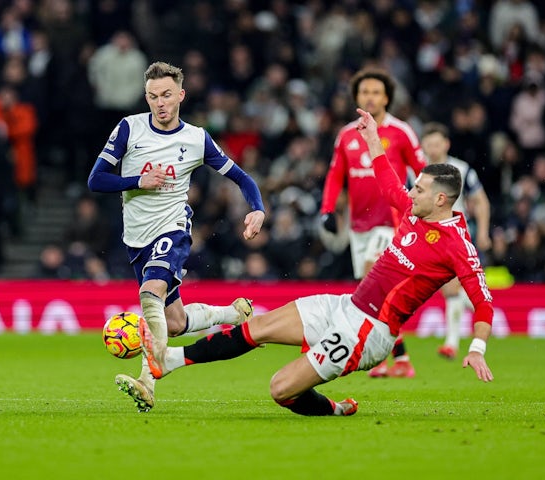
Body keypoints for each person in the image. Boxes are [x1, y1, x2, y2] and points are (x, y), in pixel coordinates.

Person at [140, 108, 494, 416]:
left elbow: (483, 303)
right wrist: (372, 137)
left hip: (369, 332)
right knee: (258, 327)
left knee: (280, 388)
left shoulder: (458, 245)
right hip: (346, 305)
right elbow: (387, 185)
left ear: (442, 199)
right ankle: (169, 360)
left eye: (419, 189)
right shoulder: (417, 212)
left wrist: (477, 349)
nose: (411, 192)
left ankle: (336, 408)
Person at [88, 61, 266, 412]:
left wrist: (257, 207)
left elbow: (243, 178)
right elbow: (96, 180)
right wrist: (137, 180)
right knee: (175, 322)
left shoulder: (197, 138)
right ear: (146, 98)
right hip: (136, 238)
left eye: (167, 95)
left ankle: (147, 379)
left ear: (181, 95)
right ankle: (232, 314)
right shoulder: (129, 128)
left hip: (173, 228)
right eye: (153, 96)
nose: (160, 103)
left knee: (149, 292)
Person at [319, 68, 426, 378]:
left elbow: (422, 170)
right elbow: (335, 175)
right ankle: (400, 359)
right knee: (375, 292)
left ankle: (379, 355)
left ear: (387, 97)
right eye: (364, 91)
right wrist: (328, 210)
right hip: (359, 224)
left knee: (370, 280)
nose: (370, 96)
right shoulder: (346, 135)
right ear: (356, 97)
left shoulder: (401, 132)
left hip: (391, 222)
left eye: (376, 92)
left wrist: (425, 205)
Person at [421, 122, 492, 359]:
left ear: (446, 144)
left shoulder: (461, 169)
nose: (432, 148)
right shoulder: (417, 170)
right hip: (425, 237)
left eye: (436, 143)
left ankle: (451, 343)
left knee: (451, 287)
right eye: (428, 144)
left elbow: (480, 201)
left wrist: (482, 232)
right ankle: (483, 309)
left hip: (455, 235)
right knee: (450, 289)